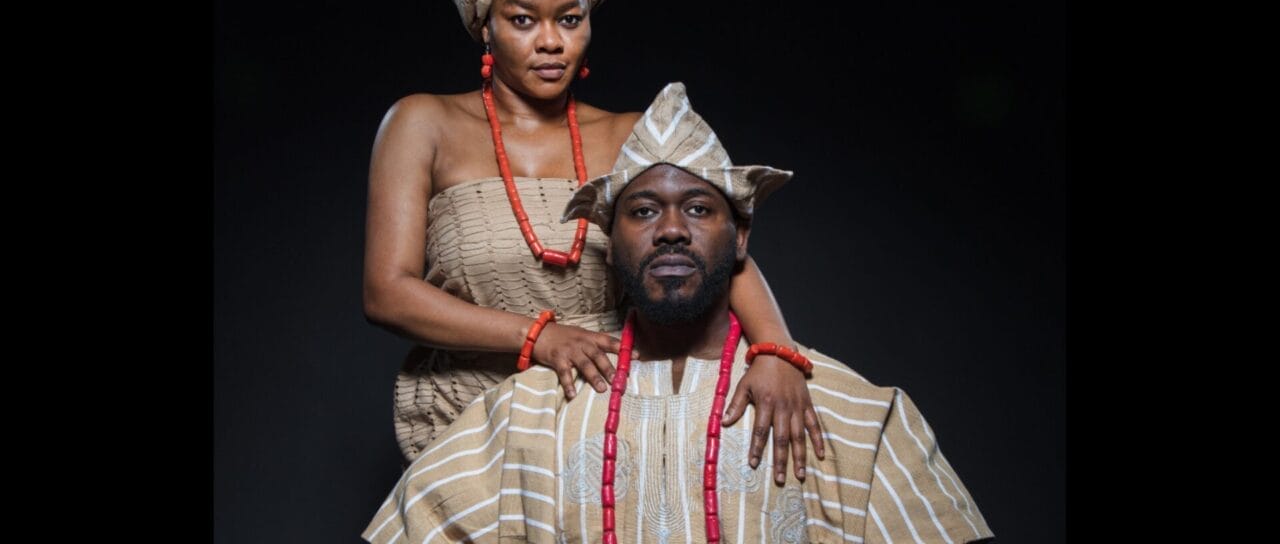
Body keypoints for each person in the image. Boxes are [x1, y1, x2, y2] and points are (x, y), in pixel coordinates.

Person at [362, 0, 820, 483]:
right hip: (464, 419)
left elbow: (717, 248)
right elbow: (387, 293)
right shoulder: (423, 123)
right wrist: (539, 337)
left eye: (569, 19)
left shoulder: (629, 133)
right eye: (523, 20)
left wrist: (776, 350)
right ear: (484, 24)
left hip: (609, 412)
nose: (550, 42)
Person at [362, 83, 995, 544]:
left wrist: (776, 349)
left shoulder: (848, 415)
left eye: (698, 209)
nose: (670, 230)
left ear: (741, 236)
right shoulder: (526, 417)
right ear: (611, 245)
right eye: (641, 212)